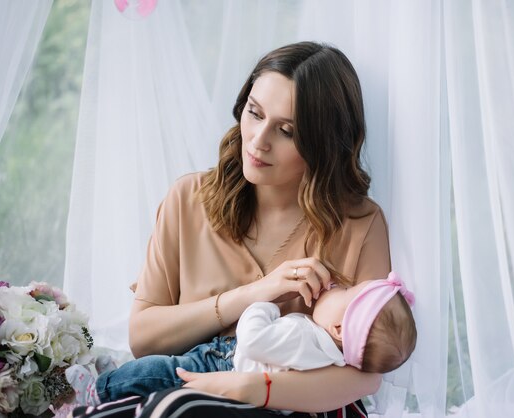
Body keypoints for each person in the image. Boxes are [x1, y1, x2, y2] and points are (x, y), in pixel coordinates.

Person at [72, 40, 394, 418]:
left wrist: (249, 387)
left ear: (322, 144)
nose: (258, 140)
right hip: (180, 393)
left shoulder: (360, 225)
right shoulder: (188, 199)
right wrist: (256, 293)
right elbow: (144, 339)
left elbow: (367, 376)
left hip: (296, 407)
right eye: (255, 113)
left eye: (287, 131)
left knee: (176, 407)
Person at [67, 272, 417, 408]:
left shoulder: (303, 337)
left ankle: (99, 390)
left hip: (225, 362)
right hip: (240, 378)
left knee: (162, 372)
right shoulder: (332, 358)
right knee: (156, 379)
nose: (339, 285)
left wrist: (263, 305)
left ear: (340, 329)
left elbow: (252, 341)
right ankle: (111, 383)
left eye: (348, 291)